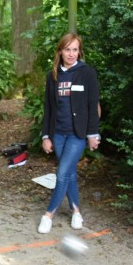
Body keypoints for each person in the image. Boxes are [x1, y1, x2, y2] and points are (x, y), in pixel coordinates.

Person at [37, 33, 101, 234]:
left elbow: (93, 105)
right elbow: (48, 108)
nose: (71, 54)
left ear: (79, 51)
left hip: (77, 134)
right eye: (67, 49)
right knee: (70, 174)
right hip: (58, 133)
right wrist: (46, 136)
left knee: (62, 173)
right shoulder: (53, 75)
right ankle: (76, 212)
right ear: (60, 51)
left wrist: (93, 134)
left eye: (74, 49)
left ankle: (48, 215)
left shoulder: (87, 73)